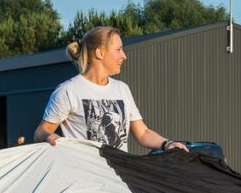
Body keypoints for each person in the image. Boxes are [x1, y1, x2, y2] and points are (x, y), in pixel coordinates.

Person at [34, 26, 189, 153]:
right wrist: (49, 136)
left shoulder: (122, 89)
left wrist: (167, 144)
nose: (124, 56)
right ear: (100, 53)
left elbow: (142, 133)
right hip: (85, 180)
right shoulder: (68, 90)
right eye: (118, 49)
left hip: (118, 176)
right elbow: (41, 131)